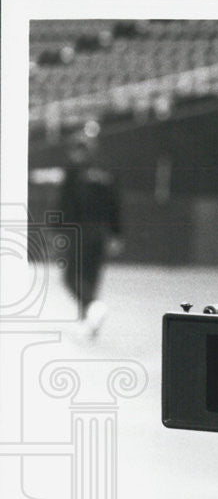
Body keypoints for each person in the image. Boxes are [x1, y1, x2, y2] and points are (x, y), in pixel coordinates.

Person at [58, 121, 123, 338]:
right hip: (101, 233)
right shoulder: (105, 172)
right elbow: (116, 205)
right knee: (91, 277)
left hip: (79, 231)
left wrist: (57, 230)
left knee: (71, 278)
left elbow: (65, 203)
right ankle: (88, 322)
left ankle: (92, 308)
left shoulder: (73, 172)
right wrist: (116, 234)